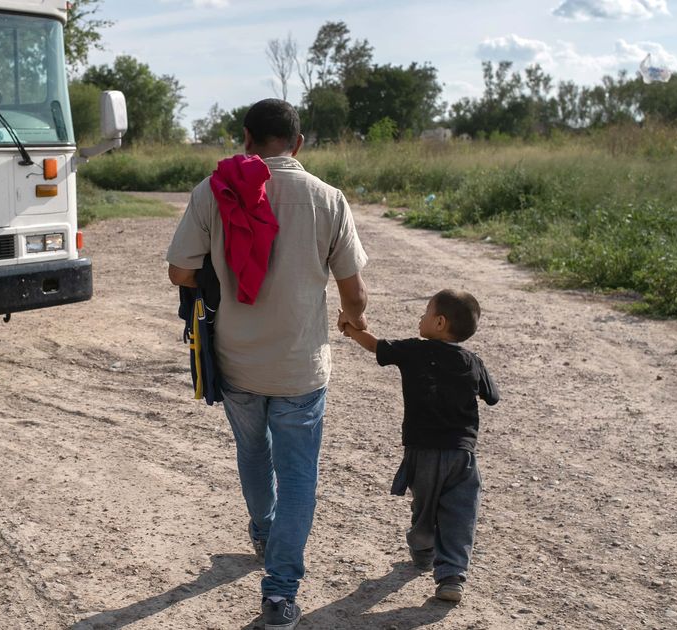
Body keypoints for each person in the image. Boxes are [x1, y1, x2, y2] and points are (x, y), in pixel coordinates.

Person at [166, 98, 369, 629]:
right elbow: (353, 291)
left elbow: (179, 273)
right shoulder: (329, 199)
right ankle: (279, 595)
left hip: (237, 362)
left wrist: (218, 275)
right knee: (299, 476)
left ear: (247, 139)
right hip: (300, 366)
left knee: (253, 451)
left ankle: (262, 531)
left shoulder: (215, 191)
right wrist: (351, 320)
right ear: (298, 144)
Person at [339, 289, 500, 603]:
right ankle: (452, 576)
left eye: (425, 312)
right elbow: (492, 396)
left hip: (423, 452)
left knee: (424, 510)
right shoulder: (473, 361)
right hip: (462, 455)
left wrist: (351, 328)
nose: (420, 317)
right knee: (460, 514)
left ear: (439, 323)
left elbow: (375, 346)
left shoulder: (414, 350)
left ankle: (423, 548)